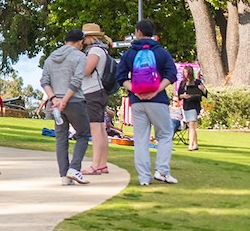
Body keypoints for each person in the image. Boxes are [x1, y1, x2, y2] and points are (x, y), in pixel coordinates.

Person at [113, 19, 180, 185]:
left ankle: (144, 178)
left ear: (138, 32)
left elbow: (120, 77)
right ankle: (162, 171)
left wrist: (135, 90)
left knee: (141, 138)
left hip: (136, 101)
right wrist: (156, 90)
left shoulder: (130, 53)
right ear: (153, 34)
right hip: (158, 100)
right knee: (164, 135)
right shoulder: (162, 52)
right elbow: (171, 75)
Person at [40, 29, 92, 185]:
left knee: (61, 138)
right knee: (83, 134)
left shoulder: (51, 57)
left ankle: (64, 175)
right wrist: (65, 100)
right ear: (80, 42)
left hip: (55, 104)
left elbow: (44, 81)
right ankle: (74, 168)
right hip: (74, 102)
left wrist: (55, 99)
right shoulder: (80, 56)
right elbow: (76, 81)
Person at [80, 23, 114, 175]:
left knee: (95, 129)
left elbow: (86, 71)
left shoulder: (94, 51)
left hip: (93, 91)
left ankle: (96, 164)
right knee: (101, 128)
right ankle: (102, 163)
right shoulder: (103, 50)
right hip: (100, 91)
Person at [179, 72, 205, 151]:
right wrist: (183, 96)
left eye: (186, 72)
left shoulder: (197, 82)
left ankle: (190, 145)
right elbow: (179, 94)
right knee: (191, 126)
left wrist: (202, 89)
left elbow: (205, 93)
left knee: (191, 125)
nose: (185, 74)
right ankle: (195, 144)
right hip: (186, 106)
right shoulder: (183, 83)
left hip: (194, 106)